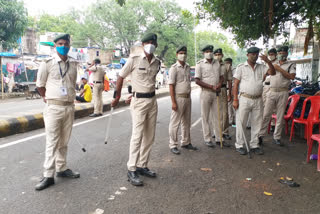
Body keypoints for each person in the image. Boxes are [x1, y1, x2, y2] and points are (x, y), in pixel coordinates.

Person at [111, 33, 161, 186]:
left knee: (149, 136)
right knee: (137, 135)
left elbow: (149, 81)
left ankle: (142, 165)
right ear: (142, 44)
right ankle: (132, 168)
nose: (150, 44)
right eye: (147, 42)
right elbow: (120, 77)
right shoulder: (133, 60)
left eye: (153, 42)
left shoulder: (157, 62)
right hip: (138, 101)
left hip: (152, 100)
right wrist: (117, 96)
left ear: (156, 45)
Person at [35, 34, 80, 191]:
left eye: (66, 43)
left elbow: (73, 84)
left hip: (69, 106)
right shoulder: (47, 63)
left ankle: (62, 168)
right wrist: (46, 98)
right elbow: (40, 85)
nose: (63, 46)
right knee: (52, 141)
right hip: (53, 107)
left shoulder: (74, 63)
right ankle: (48, 175)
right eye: (60, 43)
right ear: (55, 46)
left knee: (64, 140)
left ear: (69, 46)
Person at [232, 47, 275, 155]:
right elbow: (236, 84)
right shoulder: (241, 67)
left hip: (258, 99)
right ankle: (240, 144)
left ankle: (254, 144)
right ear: (247, 55)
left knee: (257, 123)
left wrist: (268, 61)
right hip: (244, 98)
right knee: (241, 122)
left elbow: (273, 72)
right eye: (252, 54)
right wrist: (235, 99)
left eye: (256, 54)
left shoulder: (262, 67)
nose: (255, 56)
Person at [259, 46, 296, 146]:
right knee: (266, 114)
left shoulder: (291, 64)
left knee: (280, 116)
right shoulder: (272, 64)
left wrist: (279, 69)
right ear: (277, 54)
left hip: (283, 92)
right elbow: (265, 74)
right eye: (280, 53)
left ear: (287, 54)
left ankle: (277, 137)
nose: (281, 55)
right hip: (271, 91)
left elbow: (292, 77)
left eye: (283, 53)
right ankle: (260, 136)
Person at [168, 45, 197, 155]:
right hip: (178, 97)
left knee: (186, 122)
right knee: (175, 123)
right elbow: (171, 85)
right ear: (177, 55)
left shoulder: (188, 67)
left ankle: (186, 142)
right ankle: (173, 144)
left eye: (184, 53)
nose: (183, 55)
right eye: (180, 53)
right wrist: (173, 102)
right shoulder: (174, 68)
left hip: (187, 97)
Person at [195, 45, 225, 148]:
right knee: (205, 117)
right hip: (206, 93)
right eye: (207, 51)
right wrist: (211, 86)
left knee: (218, 116)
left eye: (210, 51)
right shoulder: (200, 64)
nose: (209, 53)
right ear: (204, 53)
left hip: (216, 92)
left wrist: (220, 84)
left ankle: (219, 138)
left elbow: (221, 77)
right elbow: (197, 80)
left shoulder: (217, 63)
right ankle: (207, 138)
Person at [214, 48, 232, 141]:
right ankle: (216, 132)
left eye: (219, 54)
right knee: (215, 113)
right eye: (216, 54)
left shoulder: (227, 66)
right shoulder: (211, 65)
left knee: (225, 112)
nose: (218, 56)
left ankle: (225, 132)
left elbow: (229, 80)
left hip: (224, 90)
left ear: (222, 55)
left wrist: (230, 94)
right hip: (213, 90)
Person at [263, 48, 278, 132]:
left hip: (274, 86)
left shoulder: (277, 63)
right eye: (270, 54)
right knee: (265, 105)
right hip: (266, 86)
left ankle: (273, 124)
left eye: (272, 54)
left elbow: (271, 72)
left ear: (276, 55)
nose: (271, 56)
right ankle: (265, 124)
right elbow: (265, 73)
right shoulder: (265, 64)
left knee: (274, 107)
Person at [225, 58, 236, 126]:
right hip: (226, 89)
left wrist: (232, 91)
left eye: (228, 63)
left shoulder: (234, 69)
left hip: (232, 89)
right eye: (226, 63)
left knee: (234, 106)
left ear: (231, 63)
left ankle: (234, 120)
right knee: (228, 106)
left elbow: (235, 81)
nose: (227, 64)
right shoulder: (224, 69)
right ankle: (231, 120)